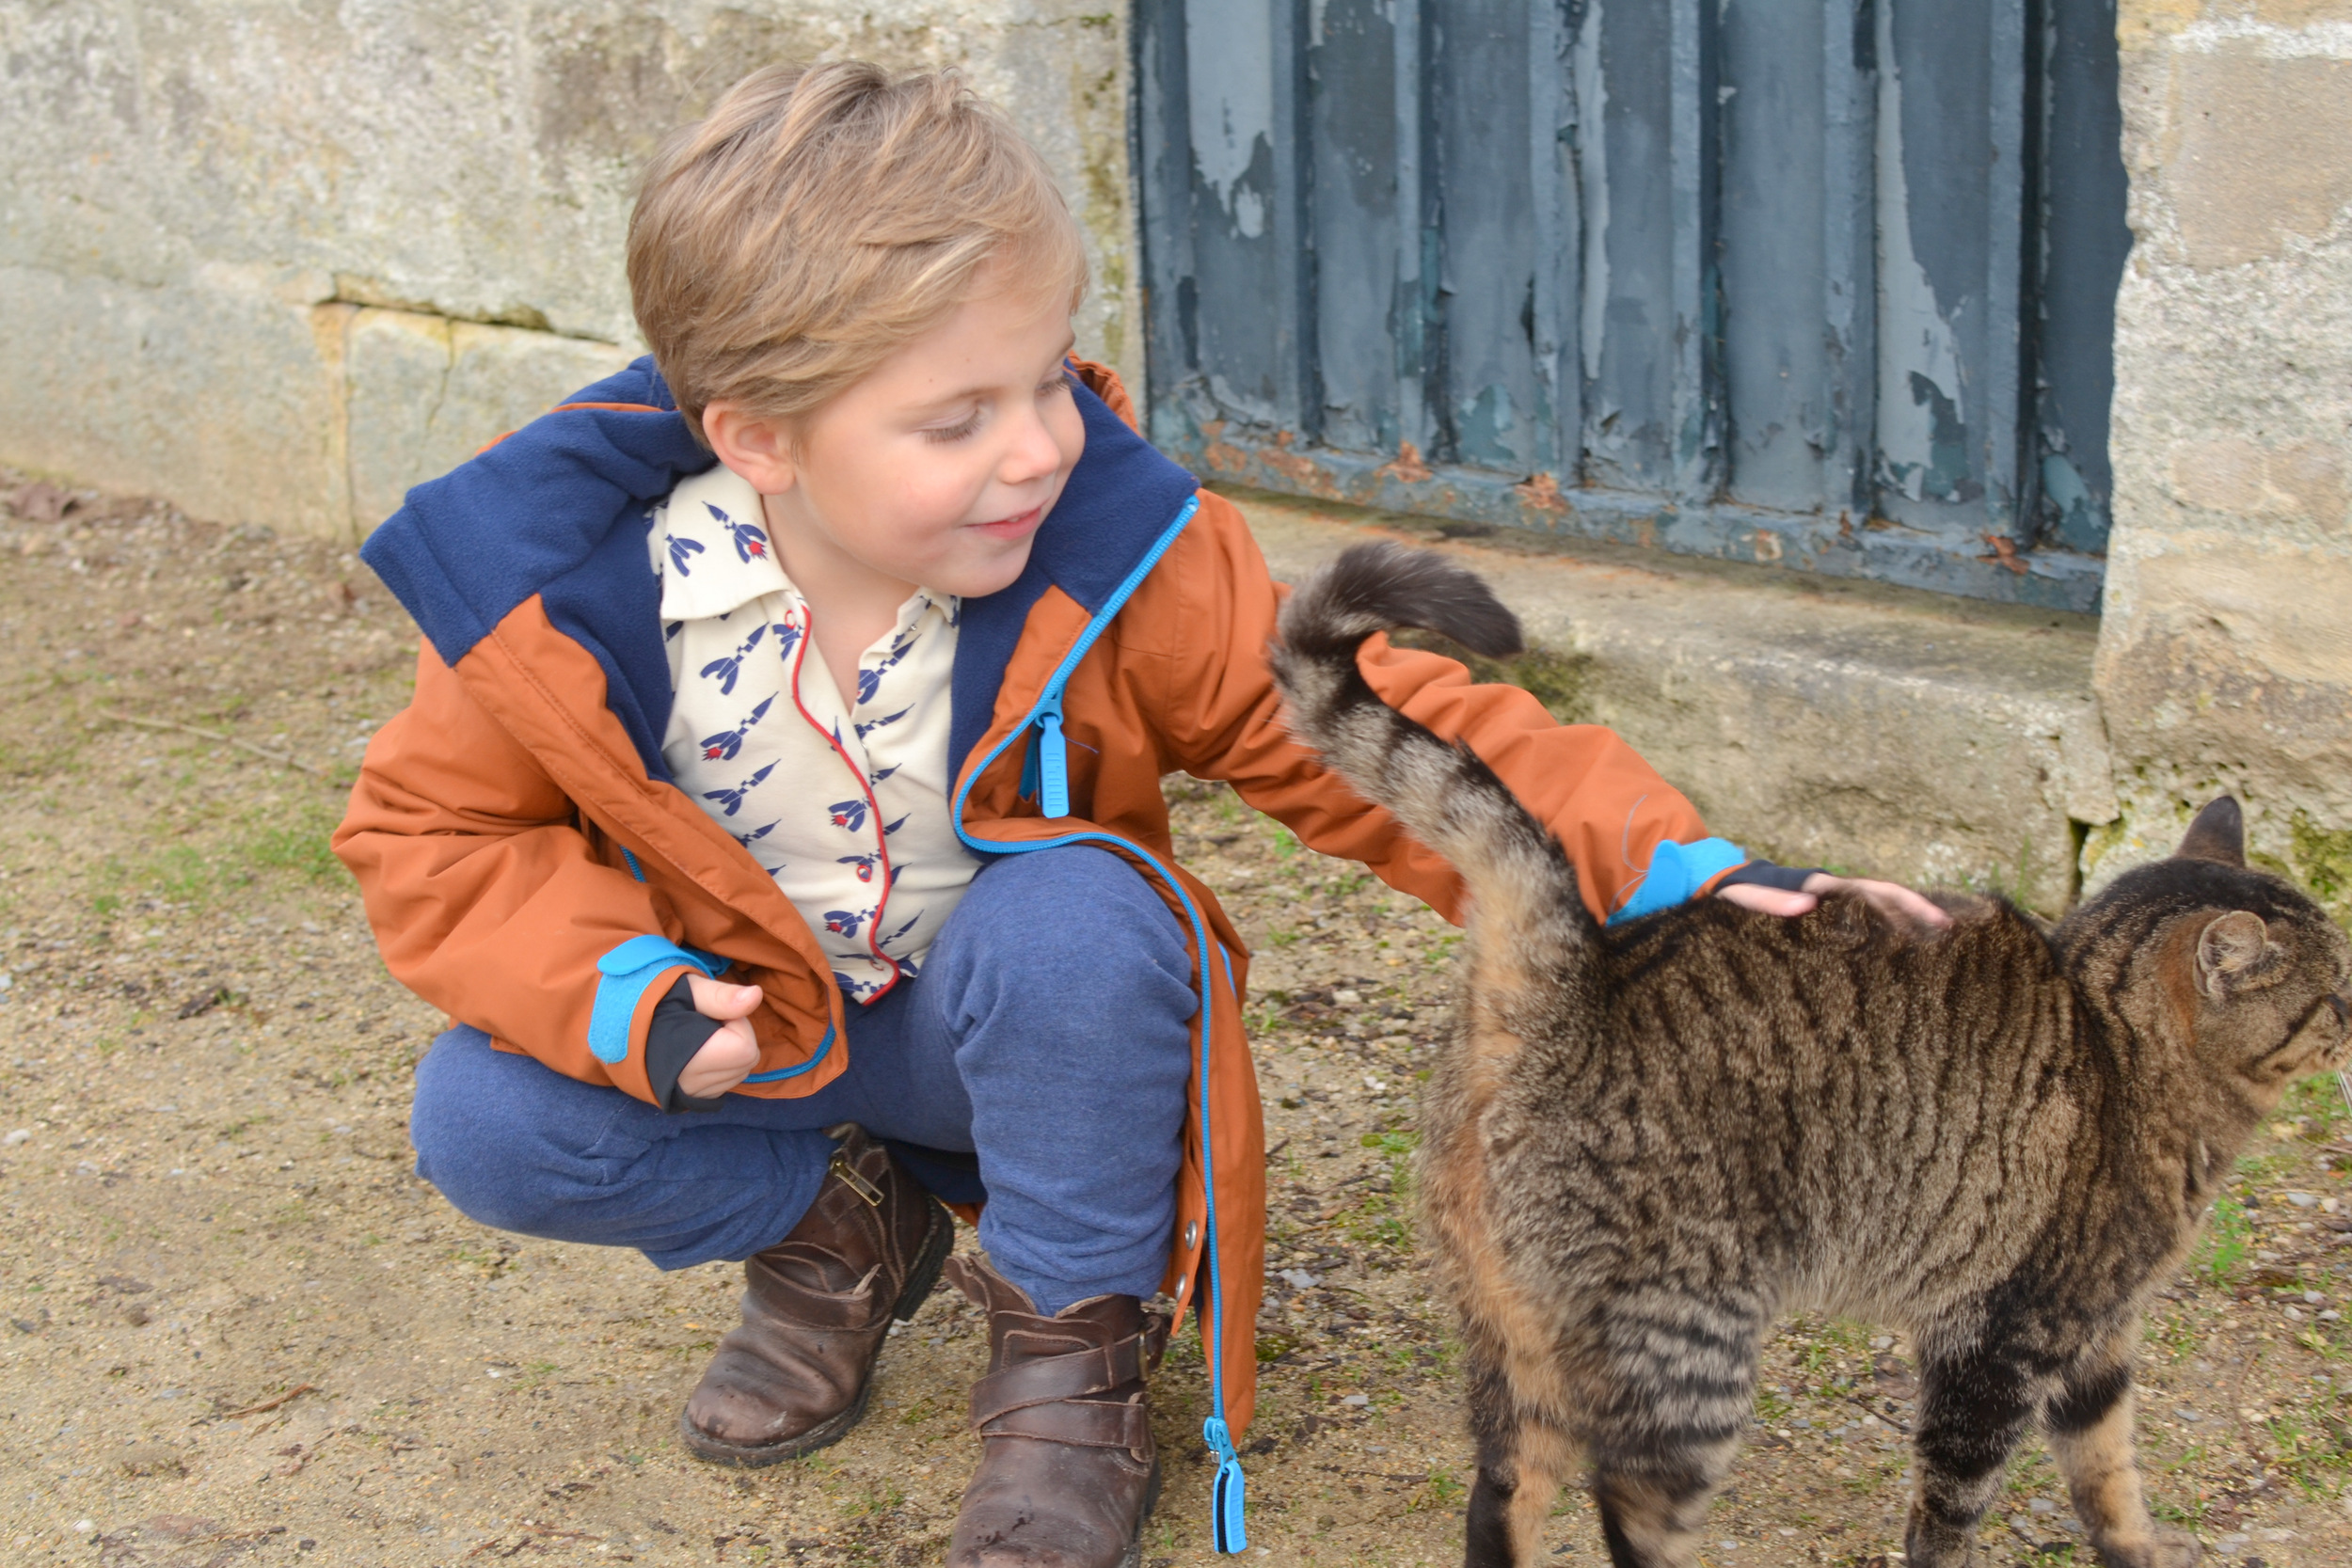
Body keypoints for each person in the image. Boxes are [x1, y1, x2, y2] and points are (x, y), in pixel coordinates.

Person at [333, 61, 1943, 1567]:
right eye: (955, 419)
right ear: (759, 436)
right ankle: (836, 1227)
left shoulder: (1115, 551)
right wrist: (625, 991)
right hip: (765, 1032)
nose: (1037, 446)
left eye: (1045, 377)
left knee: (1083, 916)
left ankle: (1066, 1342)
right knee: (487, 1120)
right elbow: (435, 843)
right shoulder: (556, 605)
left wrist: (1677, 879)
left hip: (1013, 1040)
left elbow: (1373, 725)